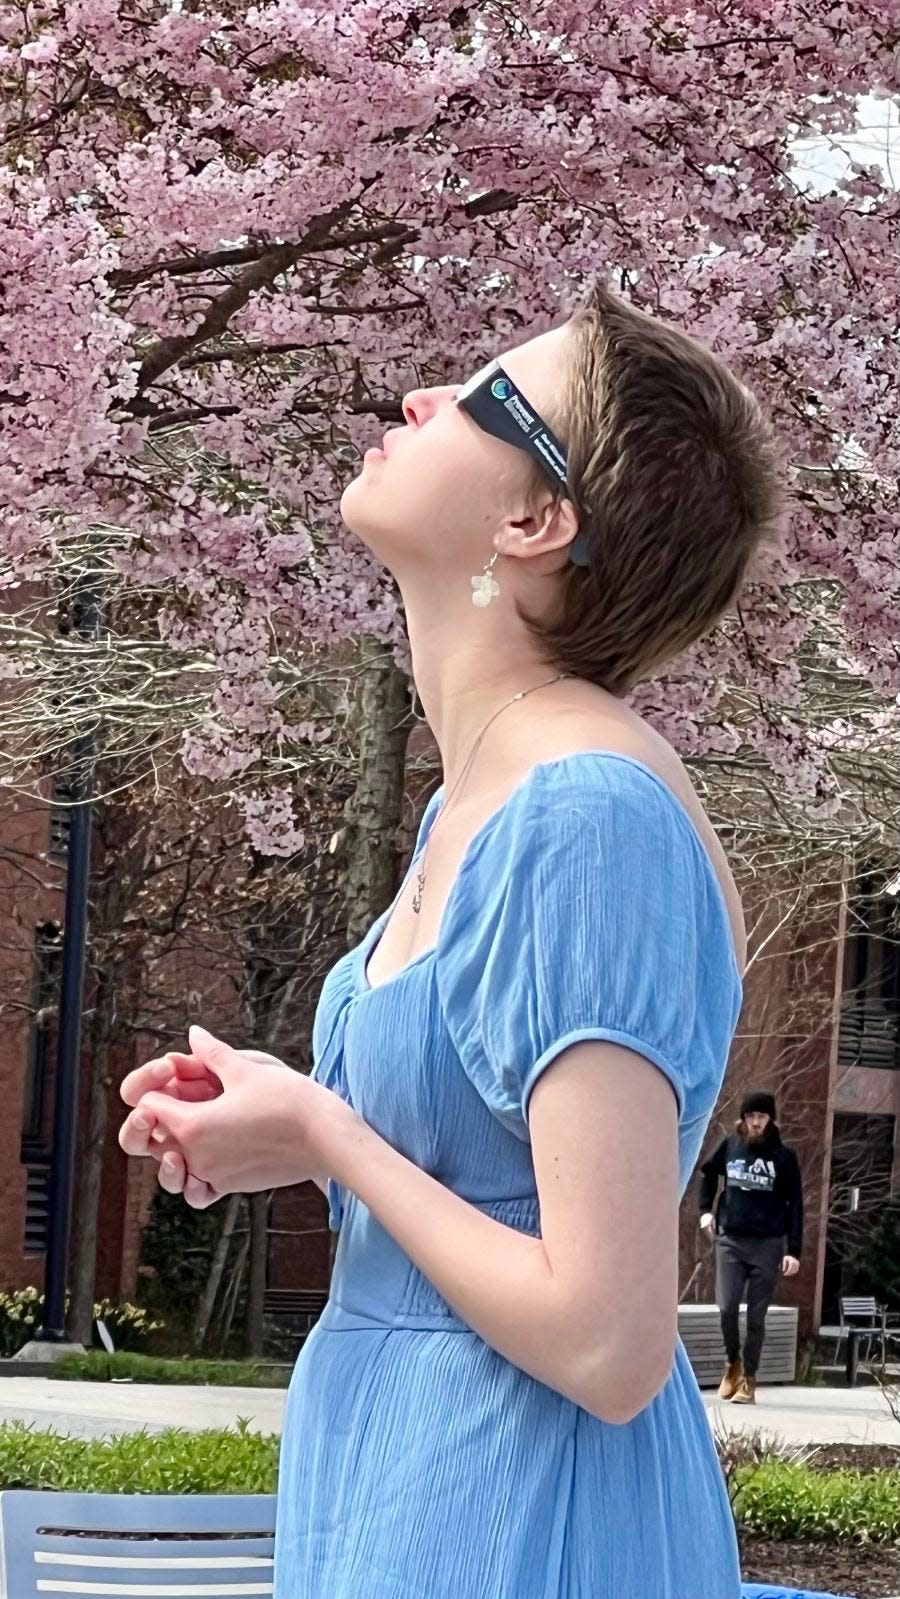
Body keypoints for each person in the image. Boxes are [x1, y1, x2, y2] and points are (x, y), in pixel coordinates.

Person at [118, 281, 781, 1598]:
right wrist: (272, 1130)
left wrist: (324, 1131)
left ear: (537, 519)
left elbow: (605, 1337)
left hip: (519, 1503)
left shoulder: (589, 815)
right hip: (394, 1466)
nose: (418, 398)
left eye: (484, 399)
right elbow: (478, 1196)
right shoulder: (465, 807)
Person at [700, 1091, 803, 1405]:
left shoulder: (784, 1158)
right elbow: (707, 1173)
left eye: (762, 1116)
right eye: (751, 1116)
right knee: (727, 1307)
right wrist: (706, 1211)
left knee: (756, 1318)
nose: (756, 1122)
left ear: (770, 1119)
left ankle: (750, 1379)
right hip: (731, 1240)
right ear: (743, 1118)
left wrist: (793, 1250)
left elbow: (795, 1204)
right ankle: (733, 1364)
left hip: (768, 1245)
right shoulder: (730, 1147)